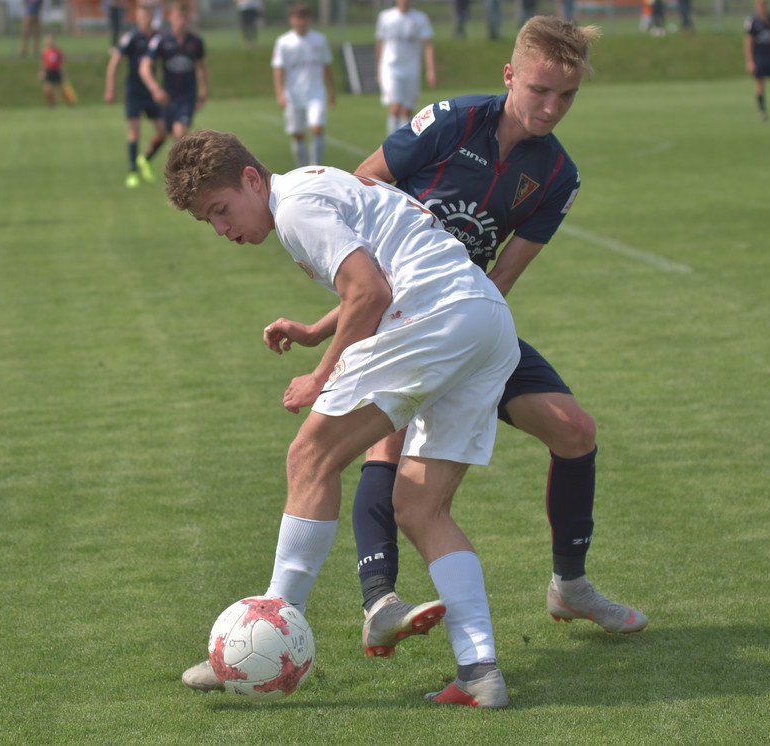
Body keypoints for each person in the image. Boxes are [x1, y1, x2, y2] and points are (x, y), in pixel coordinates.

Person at [170, 128, 520, 708]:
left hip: (432, 316)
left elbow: (371, 293)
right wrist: (315, 331)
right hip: (487, 321)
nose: (223, 230)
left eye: (222, 209)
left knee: (309, 456)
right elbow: (382, 270)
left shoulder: (298, 208)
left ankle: (268, 630)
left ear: (252, 179)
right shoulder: (316, 184)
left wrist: (320, 376)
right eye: (209, 221)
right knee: (421, 507)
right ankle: (480, 671)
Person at [346, 16, 648, 644]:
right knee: (388, 442)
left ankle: (570, 586)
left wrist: (459, 346)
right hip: (395, 316)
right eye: (539, 89)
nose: (551, 107)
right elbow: (361, 186)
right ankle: (379, 602)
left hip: (469, 318)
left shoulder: (557, 175)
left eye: (566, 96)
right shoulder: (452, 121)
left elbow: (503, 274)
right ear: (510, 75)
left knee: (574, 430)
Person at [105, 4, 167, 188]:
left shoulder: (158, 38)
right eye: (142, 16)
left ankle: (144, 159)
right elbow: (115, 61)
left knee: (163, 132)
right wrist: (110, 87)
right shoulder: (131, 38)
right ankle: (132, 171)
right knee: (134, 132)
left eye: (148, 16)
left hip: (151, 91)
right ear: (137, 18)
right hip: (134, 91)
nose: (146, 19)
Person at [271, 3, 335, 168]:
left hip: (316, 93)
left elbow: (327, 66)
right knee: (298, 134)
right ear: (291, 20)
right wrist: (280, 94)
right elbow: (278, 69)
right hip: (293, 95)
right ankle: (302, 169)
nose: (301, 21)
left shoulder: (319, 40)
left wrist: (331, 90)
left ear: (309, 19)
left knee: (317, 128)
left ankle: (316, 167)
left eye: (304, 17)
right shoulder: (284, 42)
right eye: (297, 18)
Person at [140, 3, 208, 149]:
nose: (181, 21)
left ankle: (183, 170)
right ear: (171, 17)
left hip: (187, 96)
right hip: (167, 97)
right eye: (178, 16)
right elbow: (144, 67)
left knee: (179, 133)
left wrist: (203, 90)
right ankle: (177, 167)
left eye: (184, 17)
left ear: (189, 17)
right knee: (169, 136)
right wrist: (155, 89)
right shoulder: (161, 40)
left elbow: (201, 67)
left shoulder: (196, 42)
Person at [375, 0, 435, 135]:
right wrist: (377, 70)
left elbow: (428, 45)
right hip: (391, 67)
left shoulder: (420, 18)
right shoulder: (385, 17)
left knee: (407, 110)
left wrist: (430, 70)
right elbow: (380, 44)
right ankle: (391, 144)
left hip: (412, 68)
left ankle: (404, 144)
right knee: (395, 106)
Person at [39, 34, 70, 108]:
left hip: (56, 71)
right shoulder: (45, 51)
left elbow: (62, 62)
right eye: (48, 40)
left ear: (53, 40)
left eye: (51, 39)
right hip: (49, 71)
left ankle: (68, 102)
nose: (49, 41)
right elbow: (43, 62)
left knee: (62, 89)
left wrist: (63, 72)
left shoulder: (58, 50)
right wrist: (42, 71)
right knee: (47, 89)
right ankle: (51, 104)